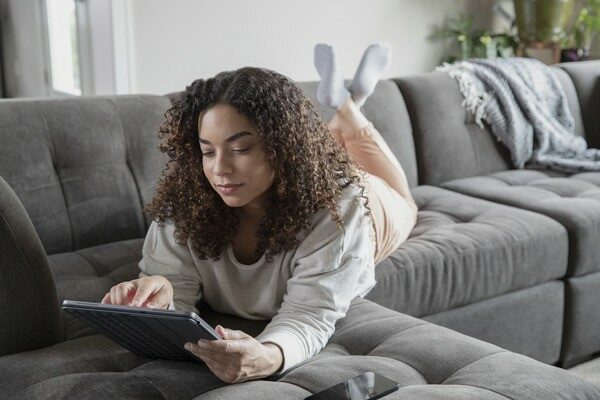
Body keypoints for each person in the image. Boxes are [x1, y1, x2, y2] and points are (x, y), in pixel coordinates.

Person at [101, 42, 418, 383]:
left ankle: (350, 106)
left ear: (282, 149)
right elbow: (174, 285)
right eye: (208, 151)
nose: (219, 168)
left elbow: (311, 315)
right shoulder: (188, 195)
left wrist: (269, 356)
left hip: (374, 206)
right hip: (305, 169)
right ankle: (347, 101)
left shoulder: (340, 205)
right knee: (322, 148)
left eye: (239, 148)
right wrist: (158, 300)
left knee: (404, 199)